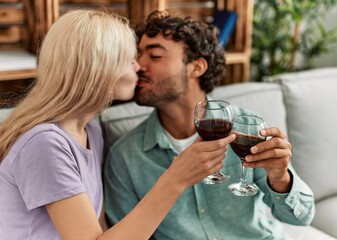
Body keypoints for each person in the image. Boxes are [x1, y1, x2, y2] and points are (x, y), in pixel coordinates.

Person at [0, 9, 236, 240]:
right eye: (130, 59)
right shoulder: (44, 144)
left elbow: (101, 231)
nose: (139, 67)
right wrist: (176, 178)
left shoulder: (90, 130)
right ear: (99, 68)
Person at [104, 10, 315, 240]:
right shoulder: (125, 157)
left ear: (197, 67)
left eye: (154, 56)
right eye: (138, 55)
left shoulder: (246, 129)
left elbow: (301, 218)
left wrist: (281, 177)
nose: (139, 66)